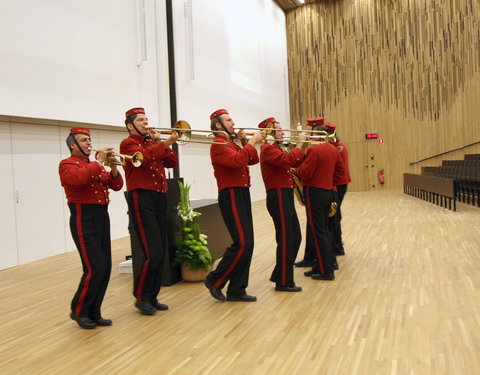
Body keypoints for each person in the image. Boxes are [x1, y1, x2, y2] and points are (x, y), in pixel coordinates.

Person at [59, 127, 124, 329]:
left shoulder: (93, 166)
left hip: (101, 217)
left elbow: (116, 185)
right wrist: (100, 162)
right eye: (84, 140)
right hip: (83, 217)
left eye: (89, 140)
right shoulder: (67, 164)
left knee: (104, 268)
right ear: (72, 144)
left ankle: (94, 312)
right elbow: (79, 179)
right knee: (94, 267)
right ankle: (79, 310)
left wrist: (113, 168)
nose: (89, 143)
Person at [120, 107, 179, 315]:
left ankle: (152, 296)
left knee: (159, 251)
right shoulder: (128, 144)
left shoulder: (150, 143)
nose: (146, 123)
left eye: (147, 119)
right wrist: (163, 143)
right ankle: (141, 297)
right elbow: (143, 159)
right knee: (150, 251)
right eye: (141, 120)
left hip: (159, 196)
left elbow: (172, 162)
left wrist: (160, 143)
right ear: (130, 125)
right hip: (141, 197)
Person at [204, 109, 265, 302]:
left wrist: (245, 142)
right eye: (229, 120)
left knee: (249, 243)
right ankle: (214, 279)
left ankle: (237, 289)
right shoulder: (218, 144)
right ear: (218, 126)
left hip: (241, 192)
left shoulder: (232, 143)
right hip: (230, 194)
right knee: (242, 243)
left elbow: (253, 160)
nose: (233, 123)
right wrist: (253, 141)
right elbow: (238, 161)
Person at [258, 117, 306, 292]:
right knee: (287, 238)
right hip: (277, 195)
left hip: (284, 194)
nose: (283, 132)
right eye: (278, 130)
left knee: (296, 236)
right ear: (269, 132)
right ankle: (284, 281)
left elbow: (295, 161)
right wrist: (300, 144)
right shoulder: (267, 149)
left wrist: (302, 148)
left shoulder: (276, 148)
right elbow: (288, 161)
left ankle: (280, 274)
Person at [296, 121, 345, 280]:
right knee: (324, 230)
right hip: (329, 191)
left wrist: (296, 168)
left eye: (310, 133)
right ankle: (320, 266)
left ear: (315, 134)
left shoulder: (314, 150)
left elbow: (305, 173)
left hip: (315, 192)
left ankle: (326, 270)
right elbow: (340, 173)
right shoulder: (332, 149)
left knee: (318, 232)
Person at [325, 121, 351, 256]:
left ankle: (337, 245)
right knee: (335, 214)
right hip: (340, 183)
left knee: (333, 216)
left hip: (338, 183)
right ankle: (337, 244)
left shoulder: (336, 146)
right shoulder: (338, 145)